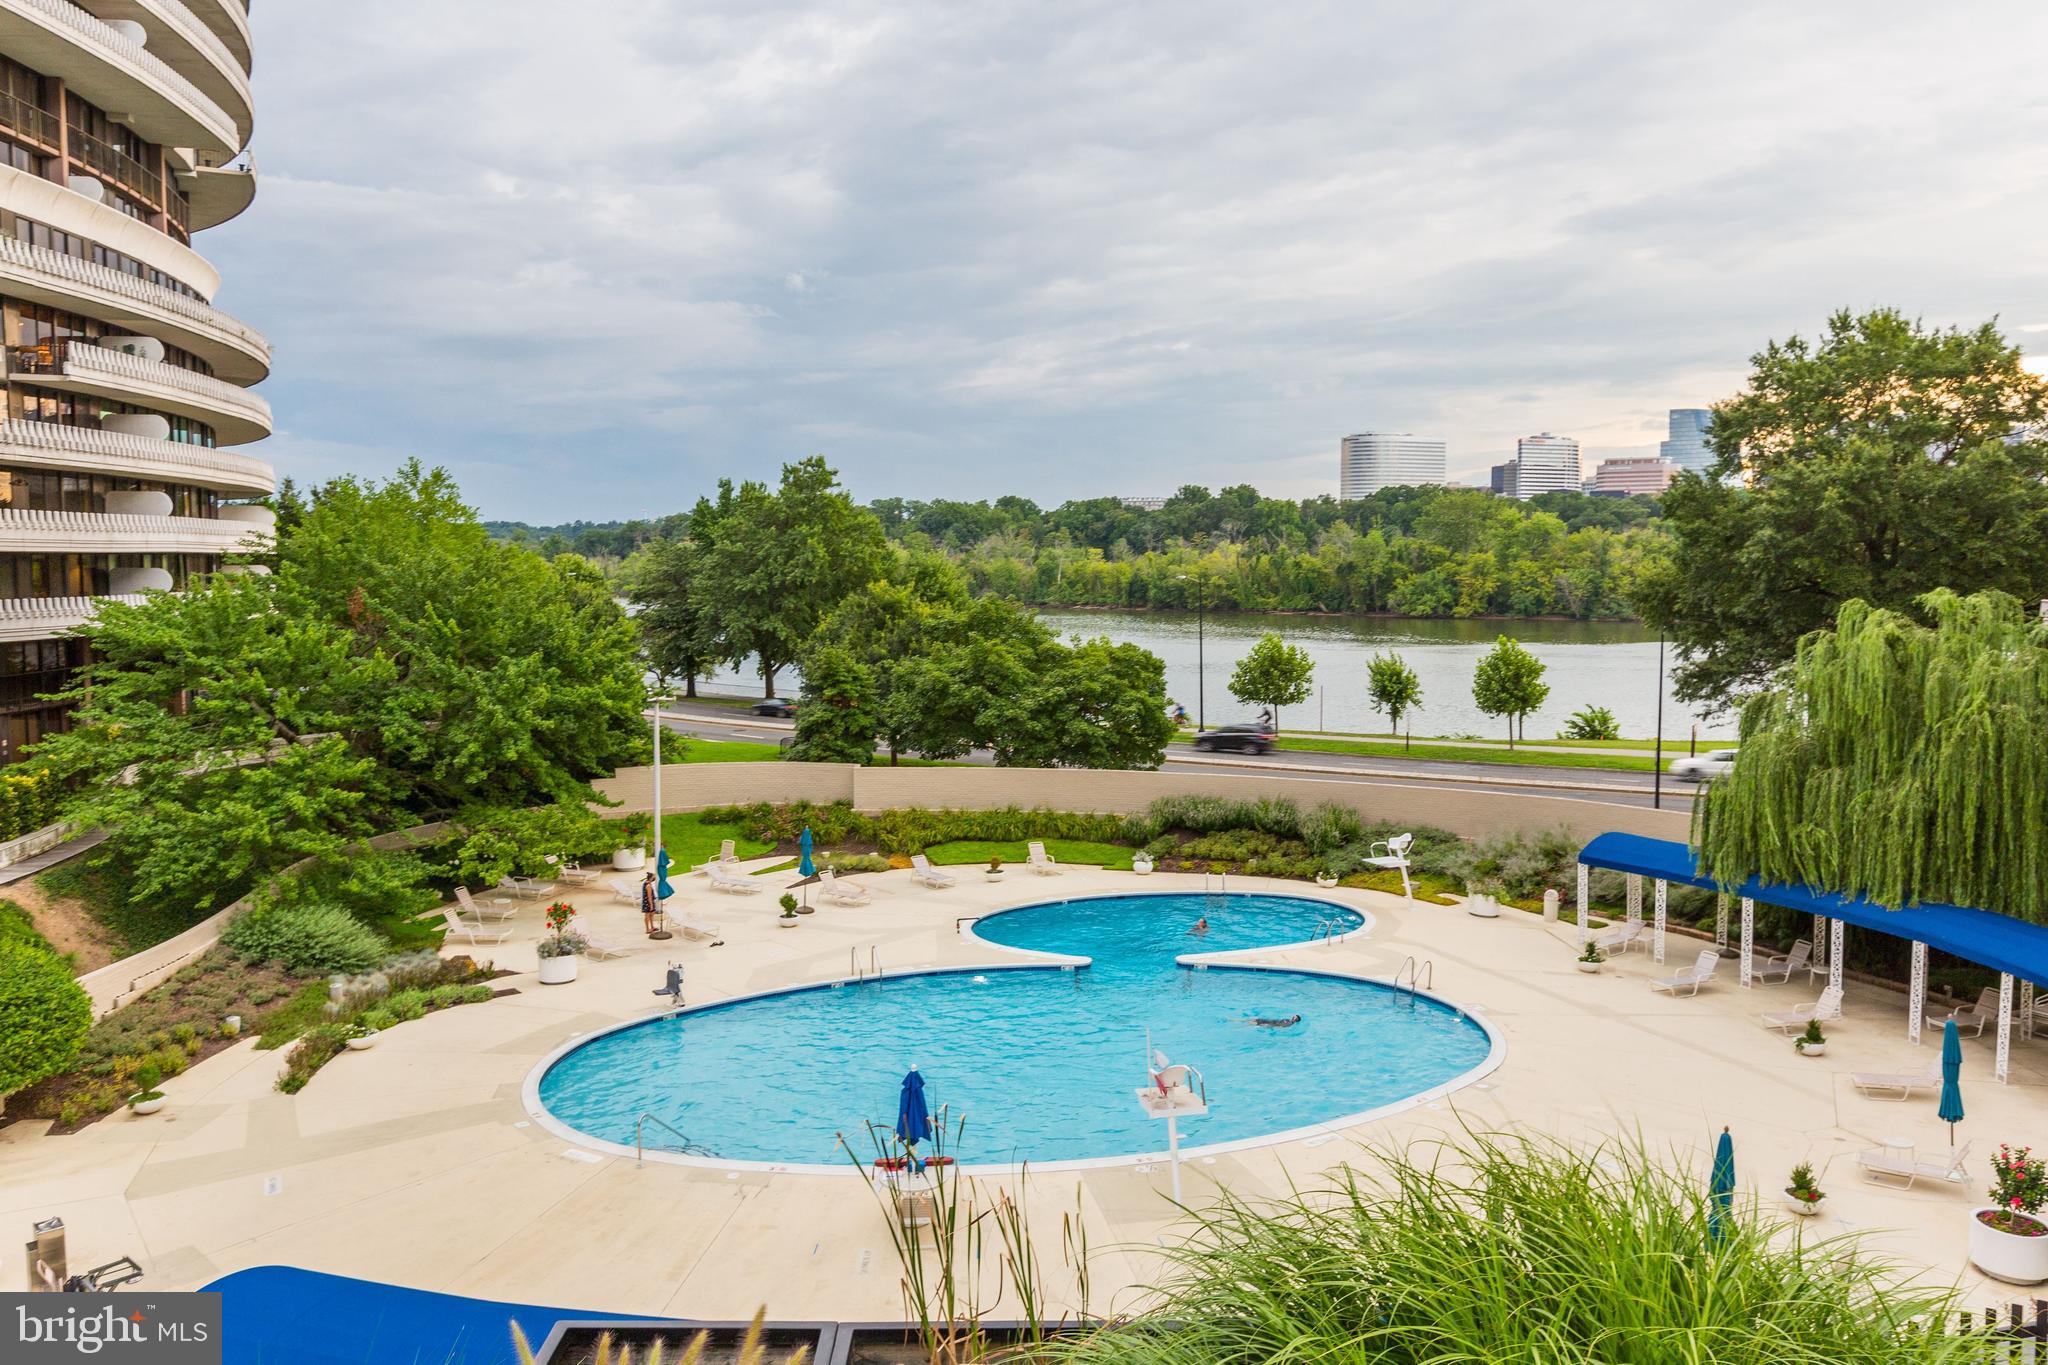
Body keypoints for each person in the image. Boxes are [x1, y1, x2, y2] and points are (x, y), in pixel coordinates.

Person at [640, 871, 661, 936]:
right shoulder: (648, 885)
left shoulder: (646, 882)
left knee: (651, 915)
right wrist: (651, 905)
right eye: (654, 877)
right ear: (651, 878)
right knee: (647, 916)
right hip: (648, 903)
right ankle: (647, 929)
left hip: (649, 902)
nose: (654, 878)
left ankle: (652, 927)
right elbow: (649, 897)